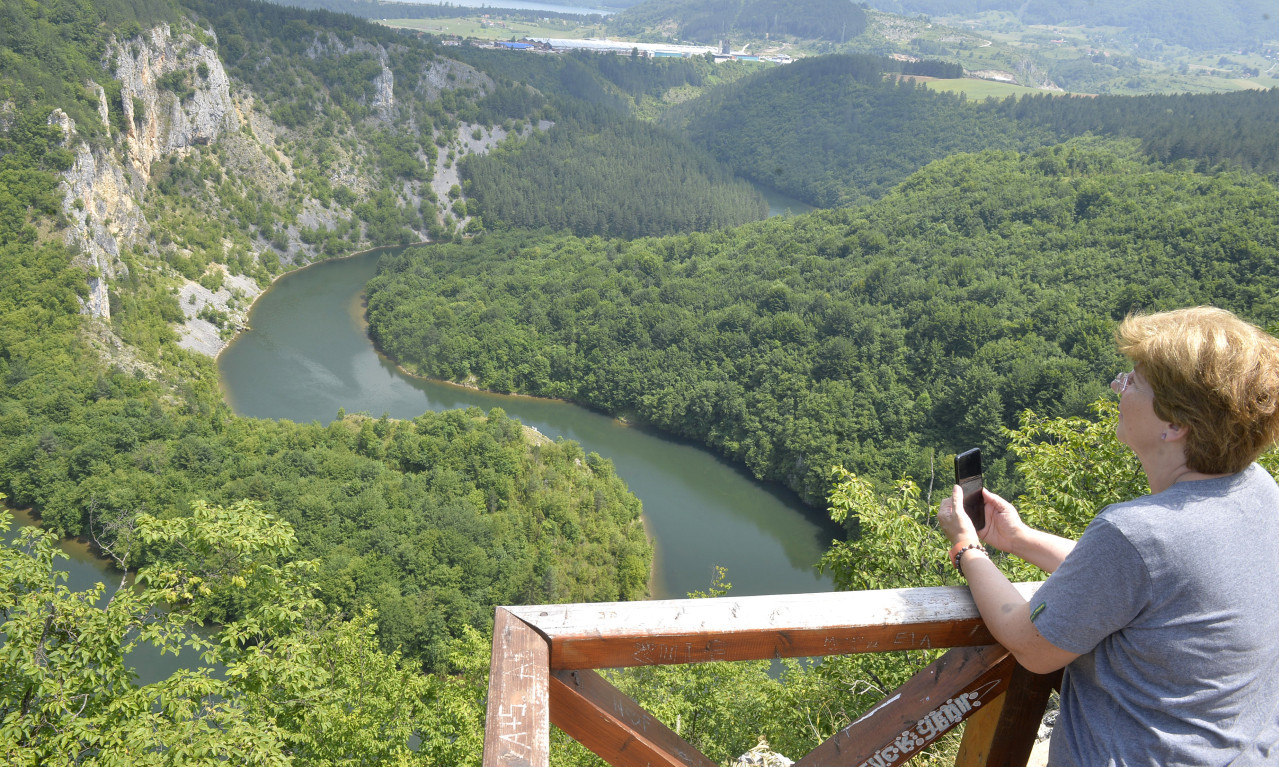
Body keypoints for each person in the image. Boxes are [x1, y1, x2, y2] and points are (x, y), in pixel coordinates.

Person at [937, 306, 1279, 766]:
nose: (1119, 386)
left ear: (1175, 424)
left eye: (1134, 381)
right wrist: (1018, 537)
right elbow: (1145, 583)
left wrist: (967, 548)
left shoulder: (1136, 533)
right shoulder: (1259, 490)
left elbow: (1031, 645)